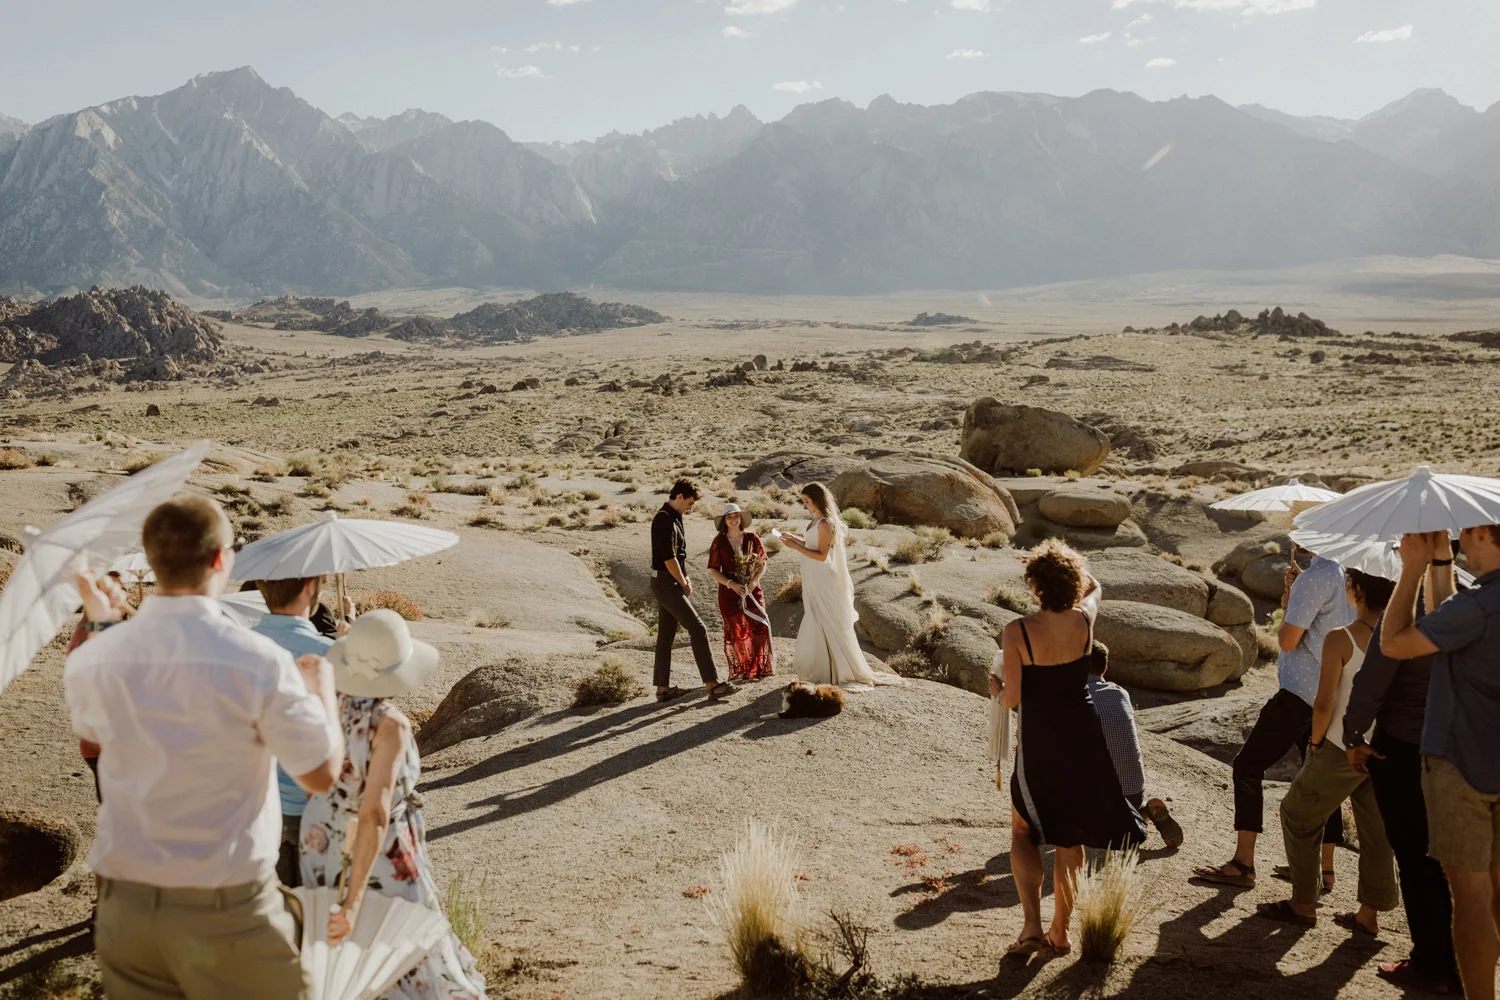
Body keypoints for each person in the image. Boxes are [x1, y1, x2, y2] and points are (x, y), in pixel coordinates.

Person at [63, 496, 345, 1000]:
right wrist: (321, 690)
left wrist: (102, 625)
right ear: (222, 559)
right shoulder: (255, 659)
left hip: (125, 912)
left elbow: (95, 731)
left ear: (150, 561)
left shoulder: (100, 655)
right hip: (225, 911)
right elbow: (321, 776)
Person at [300, 610, 487, 999]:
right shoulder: (390, 725)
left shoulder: (326, 702)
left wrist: (353, 635)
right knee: (405, 941)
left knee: (340, 957)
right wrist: (352, 903)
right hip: (377, 848)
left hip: (321, 838)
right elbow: (374, 811)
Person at [999, 540, 1146, 957]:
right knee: (1070, 836)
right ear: (1072, 583)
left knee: (1025, 828)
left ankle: (1031, 927)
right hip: (1084, 737)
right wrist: (1078, 575)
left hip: (1040, 739)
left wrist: (997, 689)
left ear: (1035, 586)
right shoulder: (1085, 619)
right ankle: (1060, 933)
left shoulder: (1018, 631)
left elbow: (1013, 700)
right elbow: (1096, 586)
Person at [1382, 525, 1500, 1000]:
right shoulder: (1476, 605)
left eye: (1468, 533)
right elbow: (1449, 621)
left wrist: (1409, 572)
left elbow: (1394, 642)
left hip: (1460, 764)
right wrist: (1441, 564)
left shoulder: (1480, 606)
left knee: (1470, 896)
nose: (1462, 540)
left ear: (1488, 535)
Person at [1194, 547, 1350, 889]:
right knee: (1318, 776)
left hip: (1298, 692)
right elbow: (1322, 630)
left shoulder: (1315, 577)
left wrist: (1295, 599)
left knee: (1248, 766)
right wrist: (1294, 598)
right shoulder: (1345, 576)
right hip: (1328, 693)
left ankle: (1243, 862)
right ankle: (1324, 870)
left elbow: (1289, 639)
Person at [1255, 568, 1399, 933]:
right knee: (1375, 830)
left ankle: (1303, 903)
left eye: (1350, 583)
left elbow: (1324, 703)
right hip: (1381, 748)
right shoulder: (1398, 640)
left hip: (1339, 745)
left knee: (1297, 813)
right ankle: (1370, 914)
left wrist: (1316, 743)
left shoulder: (1341, 638)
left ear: (1358, 591)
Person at [1342, 564, 1461, 995]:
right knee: (1455, 863)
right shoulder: (1473, 598)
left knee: (1415, 858)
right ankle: (1461, 962)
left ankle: (1430, 963)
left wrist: (1353, 734)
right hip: (1463, 750)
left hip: (1406, 746)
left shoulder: (1406, 606)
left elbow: (1374, 675)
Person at [251, 575, 355, 888]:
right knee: (319, 904)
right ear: (310, 587)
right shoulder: (331, 654)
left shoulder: (243, 648)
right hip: (315, 800)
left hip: (259, 803)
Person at [781, 482, 904, 690]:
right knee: (817, 618)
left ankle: (837, 670)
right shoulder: (815, 521)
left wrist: (795, 547)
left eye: (807, 501)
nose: (805, 505)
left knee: (825, 619)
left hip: (822, 577)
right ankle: (826, 667)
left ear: (817, 500)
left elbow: (821, 556)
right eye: (803, 501)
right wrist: (795, 539)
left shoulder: (826, 523)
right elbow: (812, 545)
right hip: (812, 578)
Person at [1083, 643, 1184, 849]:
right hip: (1133, 790)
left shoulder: (1076, 697)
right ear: (1105, 669)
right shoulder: (1121, 693)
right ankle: (1141, 813)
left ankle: (1135, 820)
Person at [650, 479, 738, 702]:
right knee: (698, 629)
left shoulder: (675, 517)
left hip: (667, 581)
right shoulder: (664, 519)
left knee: (666, 636)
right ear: (679, 497)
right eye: (689, 503)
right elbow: (668, 558)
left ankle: (662, 689)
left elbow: (679, 555)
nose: (690, 508)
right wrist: (683, 581)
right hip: (665, 582)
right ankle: (712, 684)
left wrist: (684, 575)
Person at [64, 571, 131, 803]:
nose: (124, 594)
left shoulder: (109, 629)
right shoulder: (88, 633)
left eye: (122, 588)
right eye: (117, 589)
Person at [706, 503, 774, 682]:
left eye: (736, 516)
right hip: (729, 592)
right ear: (724, 521)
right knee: (736, 631)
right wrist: (730, 584)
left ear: (741, 519)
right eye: (729, 517)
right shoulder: (718, 541)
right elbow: (713, 569)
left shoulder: (752, 538)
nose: (733, 520)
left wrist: (753, 581)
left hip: (752, 589)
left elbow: (763, 562)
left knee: (759, 627)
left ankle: (761, 668)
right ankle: (743, 670)